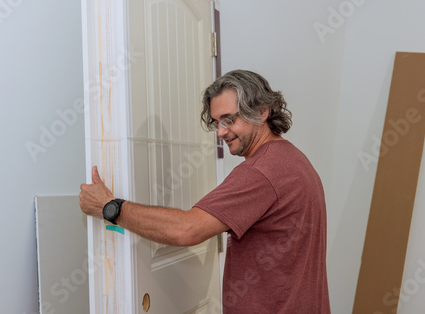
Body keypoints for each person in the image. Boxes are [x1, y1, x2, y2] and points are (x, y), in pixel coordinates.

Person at [79, 69, 331, 313]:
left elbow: (186, 230)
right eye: (217, 122)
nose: (221, 132)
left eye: (229, 120)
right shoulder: (294, 159)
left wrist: (110, 206)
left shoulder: (260, 172)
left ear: (262, 111)